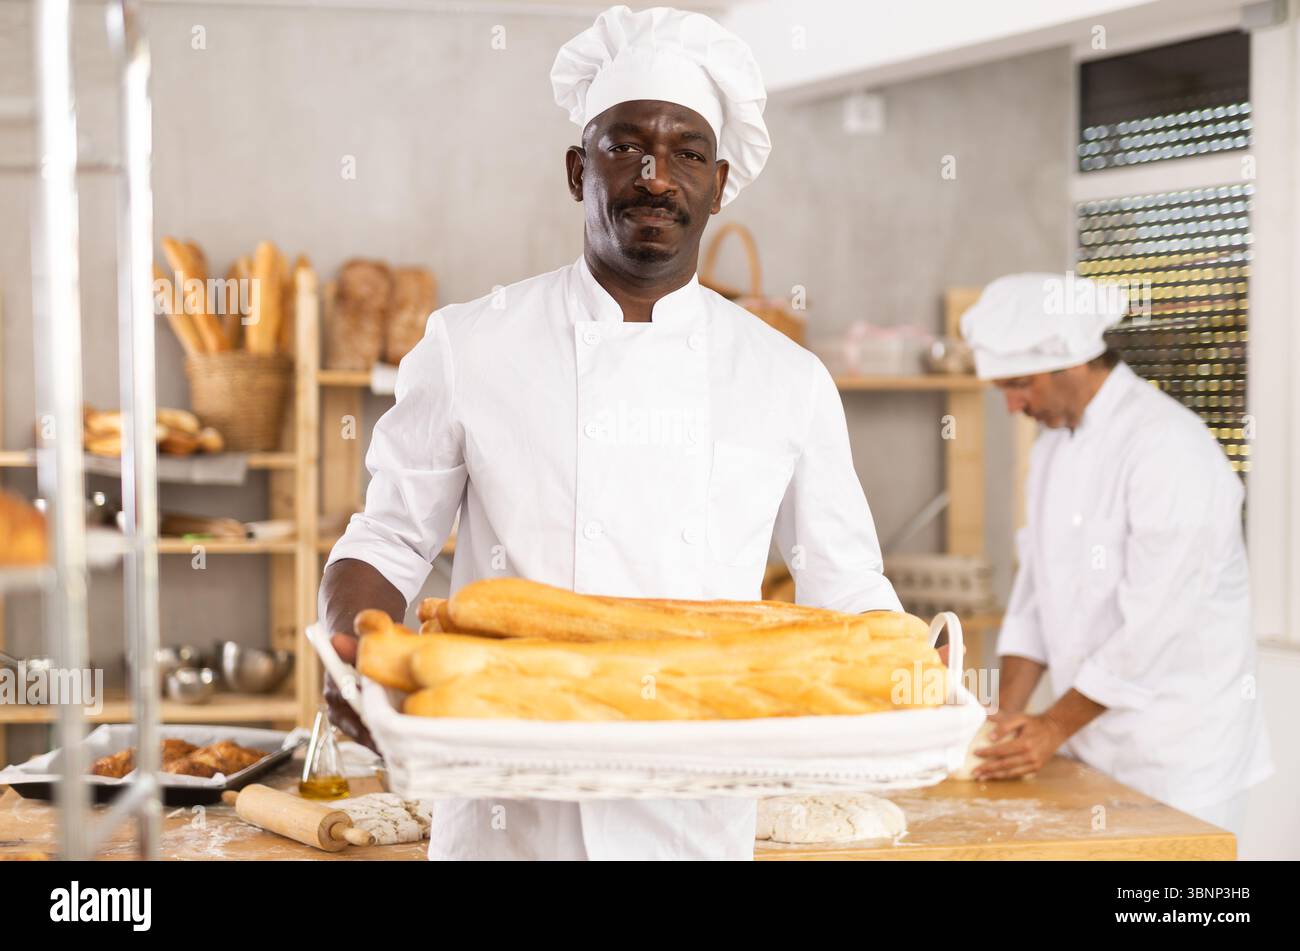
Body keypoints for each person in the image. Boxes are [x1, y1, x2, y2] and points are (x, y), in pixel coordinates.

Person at [318, 5, 905, 860]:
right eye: (626, 144)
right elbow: (390, 538)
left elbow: (847, 588)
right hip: (504, 815)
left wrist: (928, 672)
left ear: (719, 180)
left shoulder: (787, 379)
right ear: (575, 168)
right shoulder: (470, 343)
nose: (656, 175)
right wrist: (347, 654)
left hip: (691, 822)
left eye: (687, 152)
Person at [960, 272, 1273, 836]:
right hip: (1089, 741)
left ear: (1073, 362)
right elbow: (1037, 592)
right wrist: (1004, 717)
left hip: (1179, 753)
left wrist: (1053, 725)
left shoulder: (1168, 446)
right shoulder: (1055, 445)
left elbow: (1156, 623)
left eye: (1020, 384)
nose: (1012, 406)